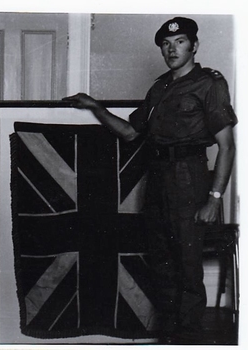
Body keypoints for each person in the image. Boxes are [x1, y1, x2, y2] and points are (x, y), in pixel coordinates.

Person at [63, 17, 237, 343]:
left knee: (188, 266)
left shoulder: (209, 84)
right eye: (166, 44)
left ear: (194, 46)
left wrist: (214, 198)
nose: (172, 49)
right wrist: (94, 107)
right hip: (157, 178)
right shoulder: (160, 87)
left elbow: (227, 147)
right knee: (161, 263)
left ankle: (190, 340)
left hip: (190, 178)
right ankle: (170, 337)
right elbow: (130, 132)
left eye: (180, 42)